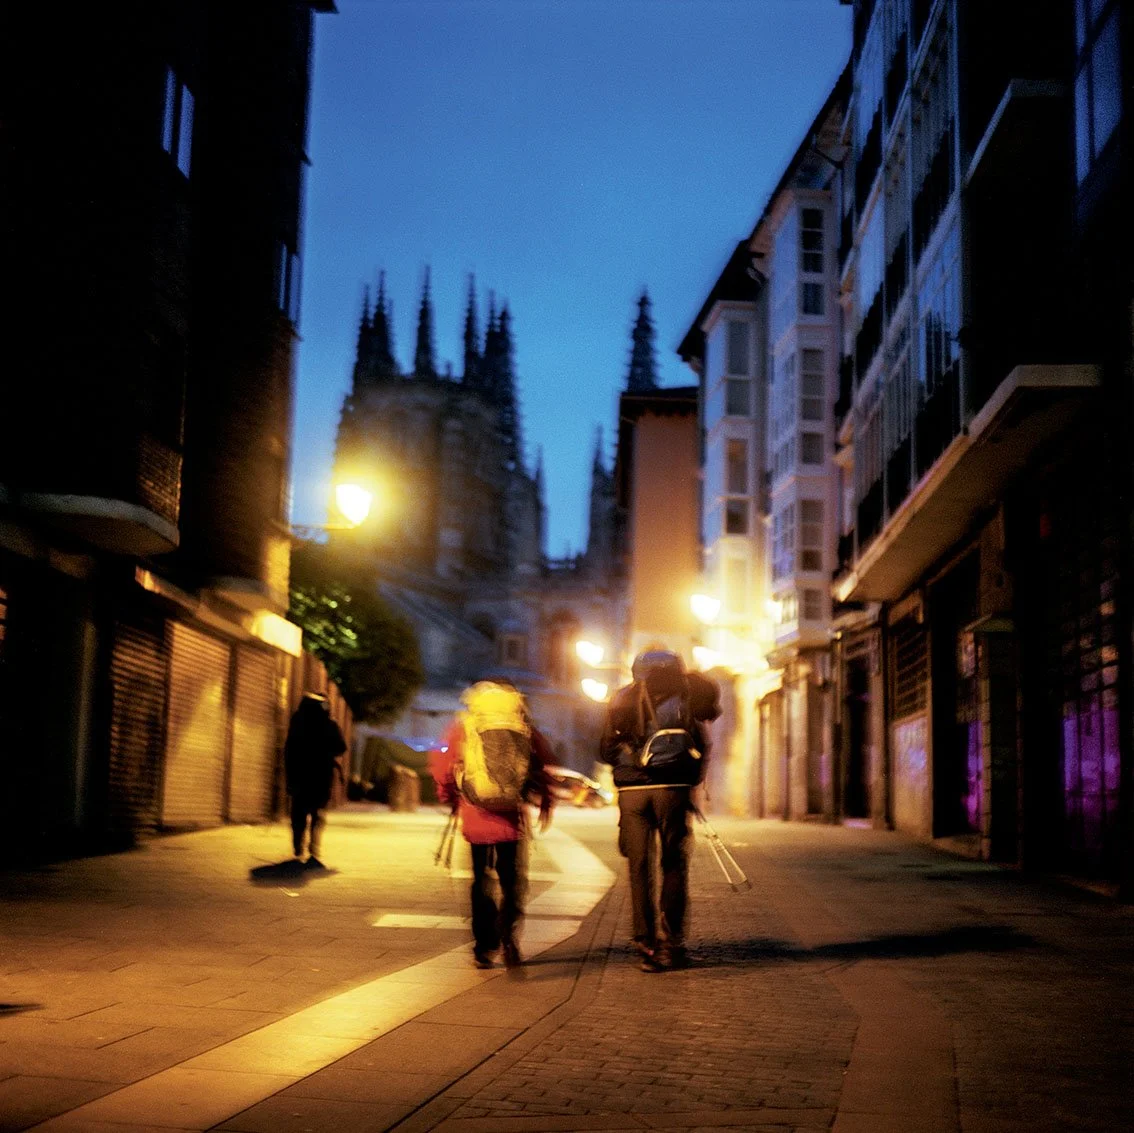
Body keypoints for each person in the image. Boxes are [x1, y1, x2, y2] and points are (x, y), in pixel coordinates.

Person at [599, 648, 720, 972]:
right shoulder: (686, 697)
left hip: (632, 795)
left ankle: (645, 942)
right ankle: (671, 943)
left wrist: (629, 763)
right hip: (673, 791)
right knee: (674, 864)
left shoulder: (622, 698)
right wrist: (690, 781)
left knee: (639, 867)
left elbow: (604, 748)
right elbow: (703, 744)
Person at [429, 680, 554, 969]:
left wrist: (448, 796)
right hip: (511, 815)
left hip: (476, 815)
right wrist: (545, 799)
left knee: (481, 880)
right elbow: (543, 761)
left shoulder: (466, 724)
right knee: (512, 880)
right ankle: (509, 935)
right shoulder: (521, 725)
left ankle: (485, 948)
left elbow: (443, 763)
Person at [283, 692, 347, 868]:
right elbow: (341, 747)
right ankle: (313, 848)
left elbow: (289, 750)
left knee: (299, 813)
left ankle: (298, 845)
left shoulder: (298, 722)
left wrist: (289, 777)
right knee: (317, 813)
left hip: (300, 775)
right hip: (321, 775)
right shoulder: (329, 724)